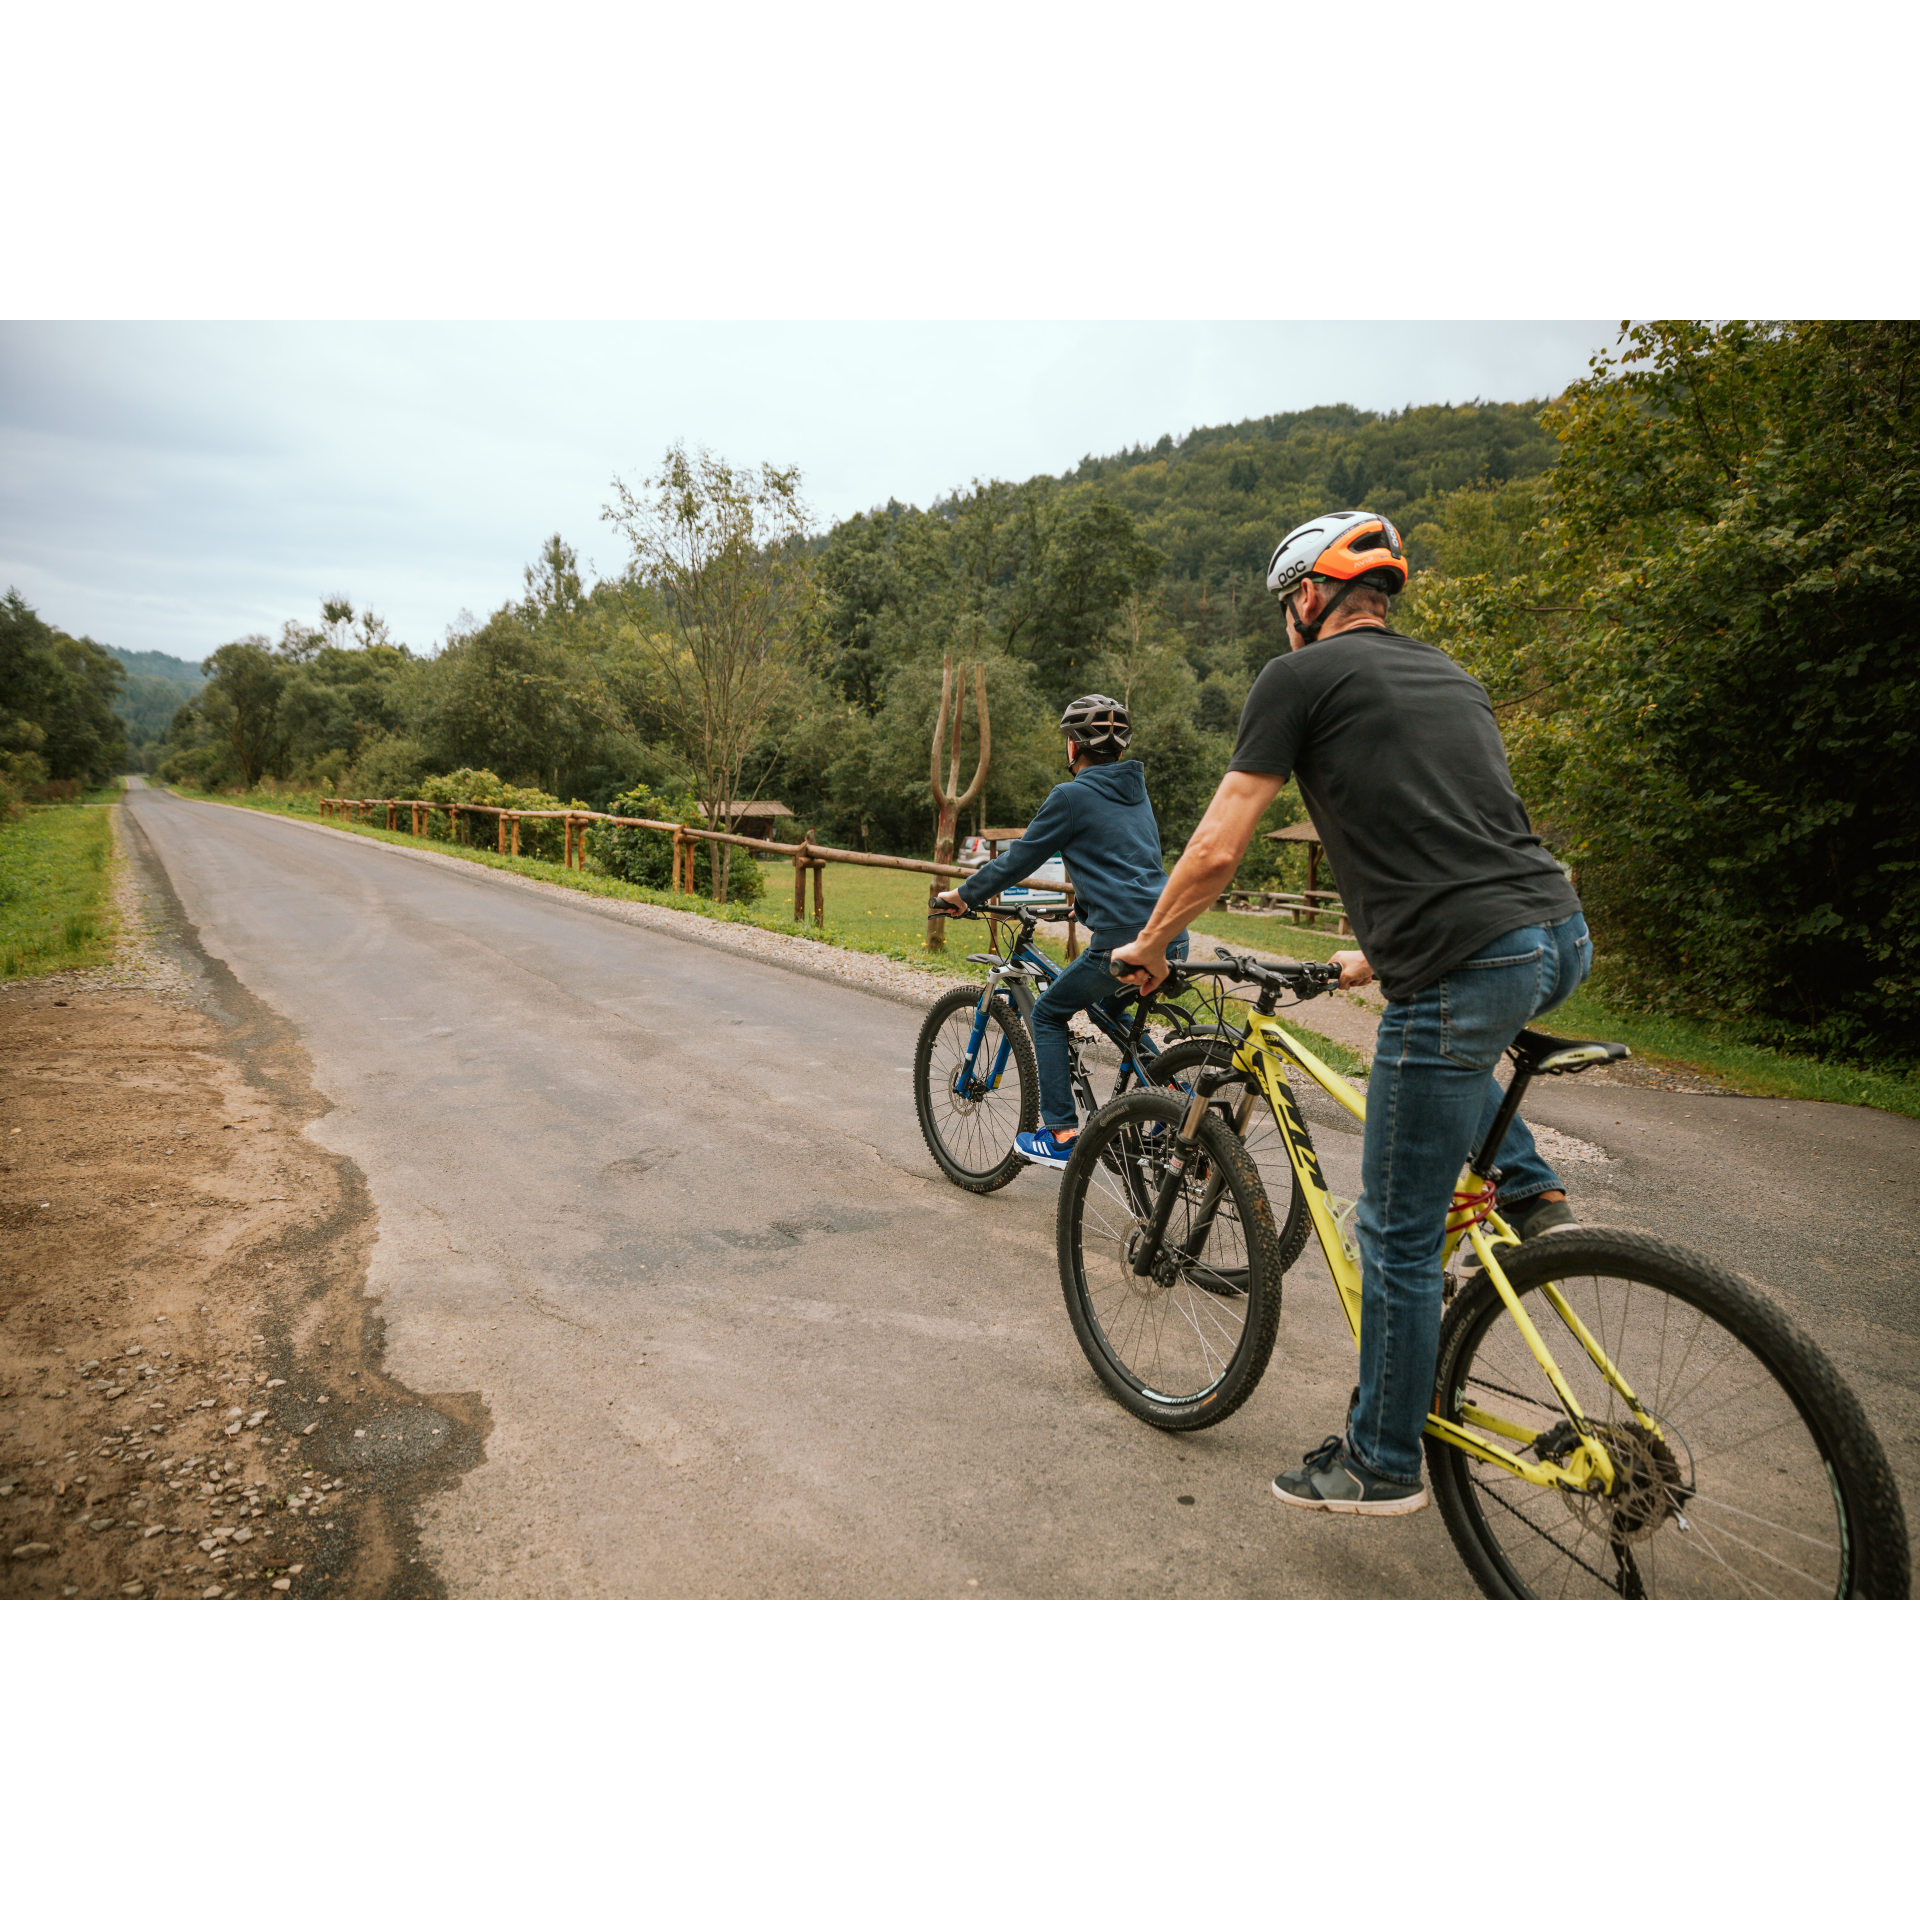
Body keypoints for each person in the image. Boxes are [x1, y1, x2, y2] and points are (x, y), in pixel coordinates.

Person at [1110, 510, 1590, 1517]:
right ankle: (1533, 1194)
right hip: (1554, 935)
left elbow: (1215, 850)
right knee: (1453, 1060)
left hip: (1469, 960)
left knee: (1397, 1235)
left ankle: (1379, 1461)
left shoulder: (1298, 679)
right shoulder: (1449, 676)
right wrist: (1376, 954)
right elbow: (1469, 837)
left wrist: (1151, 944)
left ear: (1307, 599)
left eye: (1287, 601)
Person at [934, 695, 1188, 1168]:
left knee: (1049, 1013)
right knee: (1109, 1010)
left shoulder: (1071, 796)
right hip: (1169, 932)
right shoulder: (1136, 789)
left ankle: (1062, 1132)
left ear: (1075, 746)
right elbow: (1129, 864)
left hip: (1124, 940)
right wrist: (1087, 907)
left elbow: (1020, 859)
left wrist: (964, 895)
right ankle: (1177, 1100)